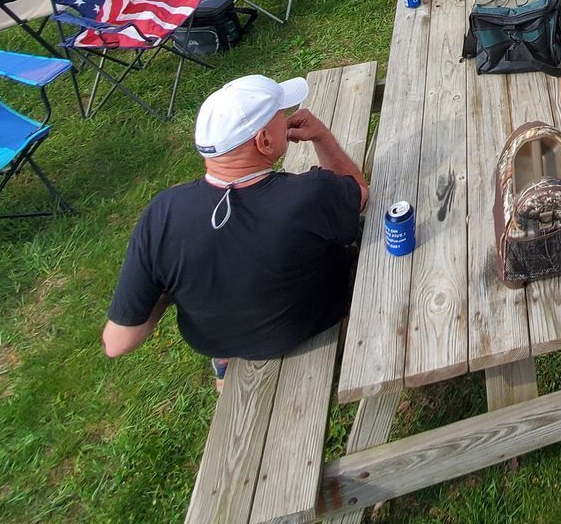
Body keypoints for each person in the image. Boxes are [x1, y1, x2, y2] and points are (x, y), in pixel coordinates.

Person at [103, 75, 367, 385]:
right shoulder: (311, 194)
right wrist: (321, 136)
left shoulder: (162, 213)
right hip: (309, 322)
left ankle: (224, 367)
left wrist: (169, 287)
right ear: (264, 141)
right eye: (280, 115)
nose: (287, 117)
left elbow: (118, 342)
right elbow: (359, 193)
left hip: (223, 343)